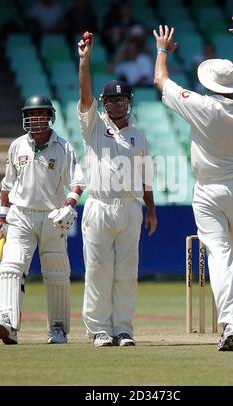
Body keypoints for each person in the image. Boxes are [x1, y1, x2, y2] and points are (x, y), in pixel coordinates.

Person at [153, 15, 233, 351]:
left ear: (209, 84)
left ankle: (230, 324)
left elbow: (160, 80)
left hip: (208, 192)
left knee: (220, 258)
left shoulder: (202, 105)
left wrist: (162, 50)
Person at [77, 34, 157, 347]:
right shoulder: (93, 126)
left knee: (126, 271)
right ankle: (99, 329)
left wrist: (150, 209)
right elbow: (84, 96)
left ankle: (123, 329)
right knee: (98, 270)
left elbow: (146, 174)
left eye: (122, 99)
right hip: (98, 205)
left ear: (129, 102)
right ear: (105, 102)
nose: (118, 103)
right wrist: (84, 60)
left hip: (130, 207)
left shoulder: (138, 134)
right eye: (112, 100)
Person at [0, 95, 85, 345]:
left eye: (41, 115)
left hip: (53, 216)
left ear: (50, 117)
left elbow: (77, 182)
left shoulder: (63, 147)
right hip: (20, 215)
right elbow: (6, 186)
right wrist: (2, 219)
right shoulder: (17, 146)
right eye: (31, 115)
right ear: (25, 118)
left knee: (56, 273)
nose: (35, 119)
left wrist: (68, 205)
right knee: (11, 268)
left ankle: (58, 328)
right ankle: (8, 323)